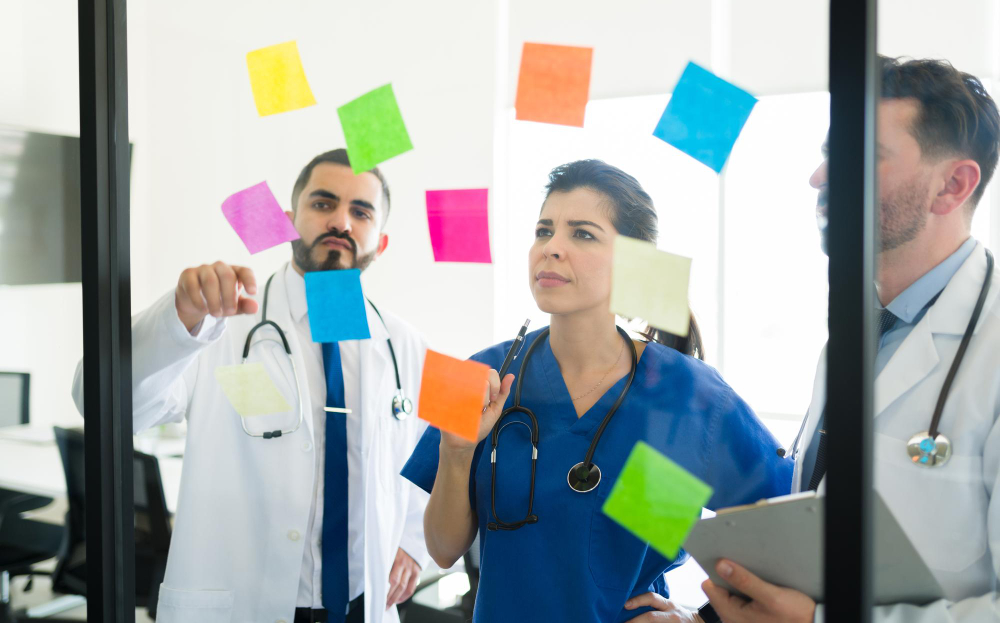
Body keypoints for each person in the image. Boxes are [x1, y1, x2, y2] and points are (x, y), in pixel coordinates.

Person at [631, 57, 1000, 622]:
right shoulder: (856, 333)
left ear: (952, 186)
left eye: (862, 156)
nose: (820, 178)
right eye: (830, 154)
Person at [400, 159, 792, 622]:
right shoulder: (482, 373)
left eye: (582, 233)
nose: (552, 248)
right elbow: (443, 551)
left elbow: (787, 530)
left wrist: (700, 618)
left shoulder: (689, 394)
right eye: (544, 230)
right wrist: (457, 449)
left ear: (634, 263)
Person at [71, 149, 431, 623]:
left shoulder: (404, 345)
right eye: (323, 204)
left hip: (362, 606)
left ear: (379, 242)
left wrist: (412, 541)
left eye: (360, 212)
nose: (340, 221)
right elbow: (101, 402)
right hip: (242, 605)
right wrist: (177, 320)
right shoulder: (220, 325)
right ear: (288, 221)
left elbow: (426, 455)